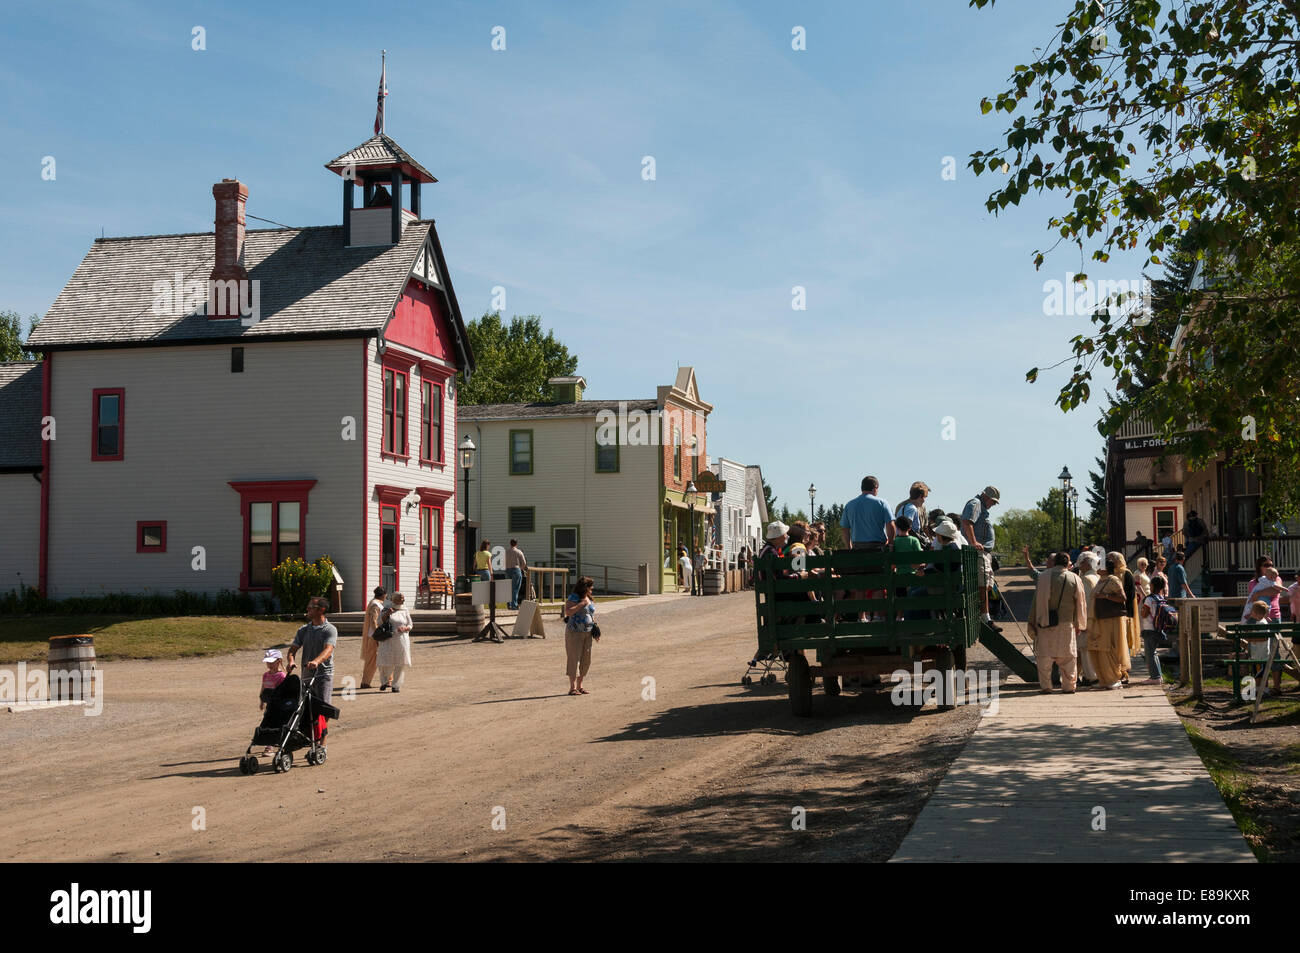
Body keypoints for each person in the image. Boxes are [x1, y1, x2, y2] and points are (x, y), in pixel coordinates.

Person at [1027, 552, 1086, 693]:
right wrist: (1080, 623)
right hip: (1067, 624)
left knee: (1045, 657)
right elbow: (1080, 603)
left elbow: (1036, 601)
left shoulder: (1043, 577)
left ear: (1054, 562)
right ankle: (1069, 686)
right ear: (1067, 563)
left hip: (1045, 622)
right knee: (1068, 658)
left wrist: (1032, 622)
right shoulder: (1075, 578)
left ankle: (1046, 686)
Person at [841, 476, 895, 620]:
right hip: (877, 547)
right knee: (877, 583)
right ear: (875, 487)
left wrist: (849, 546)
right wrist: (890, 542)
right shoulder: (881, 502)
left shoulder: (850, 505)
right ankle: (877, 616)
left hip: (858, 547)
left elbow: (845, 528)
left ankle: (862, 616)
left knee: (860, 585)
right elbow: (891, 525)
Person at [287, 596, 338, 747]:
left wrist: (317, 661)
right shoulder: (304, 629)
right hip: (306, 675)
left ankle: (322, 743)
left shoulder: (330, 629)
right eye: (308, 607)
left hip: (323, 674)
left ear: (321, 610)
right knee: (303, 709)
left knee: (323, 708)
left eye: (311, 607)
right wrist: (291, 661)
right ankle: (308, 737)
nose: (307, 610)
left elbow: (328, 649)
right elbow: (292, 650)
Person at [1087, 553, 1130, 690]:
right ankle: (1104, 679)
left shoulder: (1113, 580)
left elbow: (1122, 598)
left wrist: (1105, 596)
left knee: (1108, 649)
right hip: (1100, 620)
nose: (1097, 567)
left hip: (1110, 621)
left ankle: (1113, 678)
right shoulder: (1101, 580)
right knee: (1098, 649)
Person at [961, 485, 1001, 630]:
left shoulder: (980, 505)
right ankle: (985, 617)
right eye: (993, 502)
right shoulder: (975, 503)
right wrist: (973, 542)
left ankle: (983, 614)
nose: (993, 505)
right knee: (982, 583)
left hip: (984, 552)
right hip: (978, 552)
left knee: (987, 583)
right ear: (986, 497)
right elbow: (967, 522)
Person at [564, 576, 598, 695]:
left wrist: (595, 629)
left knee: (585, 660)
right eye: (590, 586)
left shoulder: (589, 597)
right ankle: (572, 687)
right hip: (574, 633)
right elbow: (568, 611)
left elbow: (591, 613)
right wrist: (581, 604)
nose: (592, 588)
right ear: (585, 587)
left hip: (587, 633)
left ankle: (580, 686)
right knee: (574, 659)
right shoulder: (574, 597)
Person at [375, 591, 413, 693]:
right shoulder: (386, 608)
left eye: (403, 598)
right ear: (394, 599)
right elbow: (379, 622)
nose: (403, 600)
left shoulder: (405, 609)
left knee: (400, 663)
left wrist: (406, 628)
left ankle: (396, 685)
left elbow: (410, 624)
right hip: (388, 639)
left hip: (401, 639)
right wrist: (387, 614)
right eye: (401, 598)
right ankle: (384, 681)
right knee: (386, 662)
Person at [1075, 551, 1102, 686]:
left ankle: (1090, 675)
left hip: (1088, 618)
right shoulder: (1097, 577)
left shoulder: (1085, 579)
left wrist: (1082, 621)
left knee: (1085, 648)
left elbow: (1084, 601)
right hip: (1097, 617)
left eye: (1081, 563)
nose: (1079, 566)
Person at [1138, 575, 1169, 684]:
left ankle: (1154, 677)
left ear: (1152, 585)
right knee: (1154, 653)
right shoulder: (1161, 598)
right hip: (1158, 629)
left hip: (1149, 629)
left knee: (1149, 654)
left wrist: (1142, 610)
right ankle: (1158, 676)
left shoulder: (1150, 599)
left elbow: (1144, 614)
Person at [258, 649, 288, 757]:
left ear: (279, 661)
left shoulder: (281, 676)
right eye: (268, 662)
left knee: (275, 724)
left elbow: (283, 692)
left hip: (278, 706)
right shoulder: (265, 675)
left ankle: (271, 746)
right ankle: (269, 744)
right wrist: (262, 701)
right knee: (267, 723)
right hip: (269, 705)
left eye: (271, 662)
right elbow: (263, 688)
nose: (269, 664)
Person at [359, 586, 387, 690]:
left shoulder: (376, 603)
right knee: (371, 659)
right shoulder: (375, 605)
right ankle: (365, 682)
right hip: (374, 636)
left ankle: (388, 680)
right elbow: (373, 621)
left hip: (376, 635)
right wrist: (378, 634)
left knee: (385, 657)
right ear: (383, 595)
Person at [505, 539, 528, 610]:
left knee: (508, 588)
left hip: (508, 570)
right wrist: (520, 568)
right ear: (516, 544)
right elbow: (524, 563)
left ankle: (509, 604)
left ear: (510, 543)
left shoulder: (506, 552)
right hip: (516, 570)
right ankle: (514, 605)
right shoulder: (519, 552)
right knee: (515, 588)